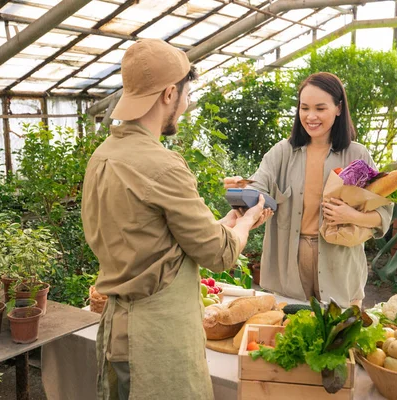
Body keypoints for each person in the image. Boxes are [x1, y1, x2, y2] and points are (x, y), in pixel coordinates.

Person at [81, 39, 271, 400]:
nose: (186, 104)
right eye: (185, 95)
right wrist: (246, 222)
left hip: (119, 331)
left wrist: (229, 219)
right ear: (170, 93)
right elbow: (219, 254)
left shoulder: (104, 156)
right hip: (157, 342)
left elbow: (162, 238)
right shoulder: (163, 165)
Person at [224, 72, 393, 308]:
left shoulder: (357, 156)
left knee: (339, 339)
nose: (310, 116)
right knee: (285, 333)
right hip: (287, 268)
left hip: (340, 268)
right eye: (304, 108)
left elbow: (383, 214)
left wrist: (351, 216)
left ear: (338, 108)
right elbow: (258, 186)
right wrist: (241, 187)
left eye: (320, 108)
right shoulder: (282, 153)